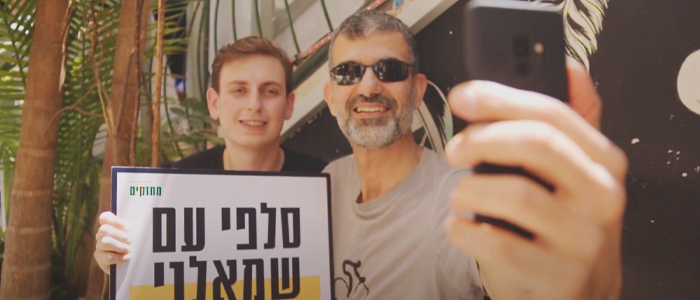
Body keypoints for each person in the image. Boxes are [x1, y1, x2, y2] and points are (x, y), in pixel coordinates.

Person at [322, 10, 627, 300]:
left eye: (389, 70)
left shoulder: (458, 198)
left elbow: (515, 281)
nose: (369, 86)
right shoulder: (330, 181)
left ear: (417, 91)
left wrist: (578, 286)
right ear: (331, 98)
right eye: (348, 72)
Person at [93, 36, 327, 274]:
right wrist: (118, 262)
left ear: (288, 105)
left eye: (269, 91)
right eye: (239, 90)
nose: (254, 105)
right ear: (214, 103)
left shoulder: (324, 184)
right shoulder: (176, 185)